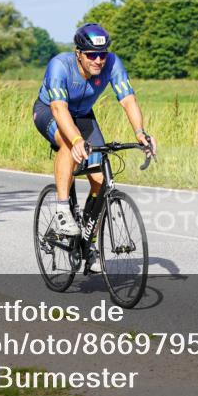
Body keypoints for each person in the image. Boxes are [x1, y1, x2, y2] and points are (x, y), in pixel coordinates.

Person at [32, 23, 156, 272]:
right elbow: (59, 109)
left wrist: (140, 132)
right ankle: (62, 209)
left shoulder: (112, 64)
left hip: (84, 115)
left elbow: (128, 98)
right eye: (92, 55)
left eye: (103, 54)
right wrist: (77, 140)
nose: (99, 60)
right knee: (69, 143)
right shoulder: (60, 65)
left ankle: (88, 244)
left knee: (101, 182)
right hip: (50, 111)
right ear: (79, 53)